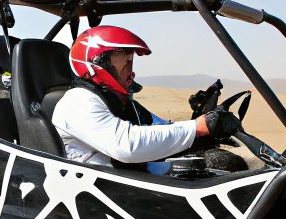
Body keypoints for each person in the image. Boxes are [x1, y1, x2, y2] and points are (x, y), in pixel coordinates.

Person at [51, 26, 239, 174]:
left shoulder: (121, 103)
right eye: (123, 60)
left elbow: (158, 128)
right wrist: (196, 128)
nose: (130, 69)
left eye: (130, 60)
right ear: (97, 64)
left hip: (133, 183)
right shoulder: (78, 101)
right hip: (101, 198)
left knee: (225, 164)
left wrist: (203, 129)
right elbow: (127, 146)